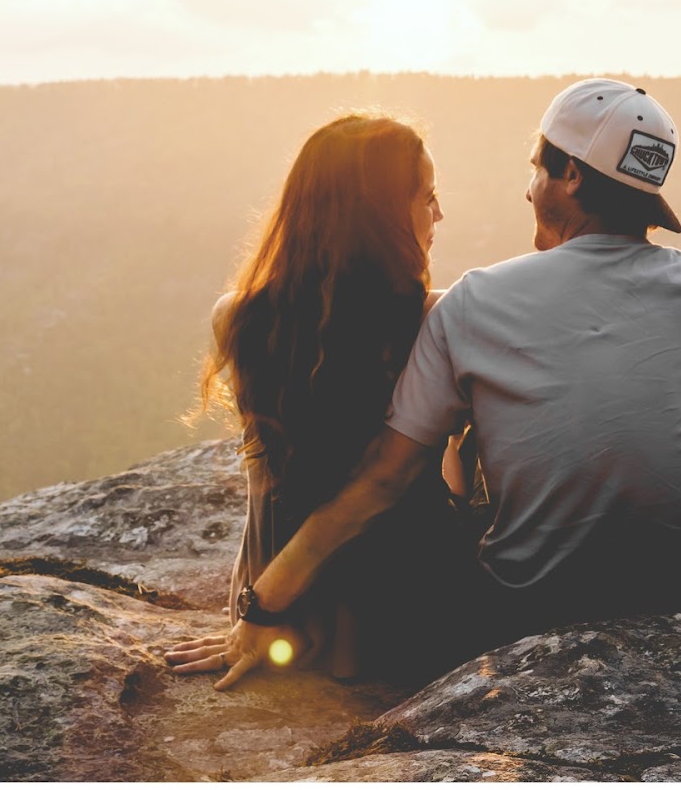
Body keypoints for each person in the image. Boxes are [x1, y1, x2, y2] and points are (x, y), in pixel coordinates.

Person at [207, 78, 681, 690]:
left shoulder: (477, 302)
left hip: (530, 612)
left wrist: (264, 600)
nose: (528, 187)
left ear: (572, 178)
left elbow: (386, 476)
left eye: (537, 168)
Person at [164, 113, 466, 684]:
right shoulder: (437, 319)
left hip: (288, 617)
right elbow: (398, 482)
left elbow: (264, 491)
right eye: (427, 197)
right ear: (379, 217)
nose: (439, 214)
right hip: (409, 613)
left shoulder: (237, 317)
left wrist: (254, 612)